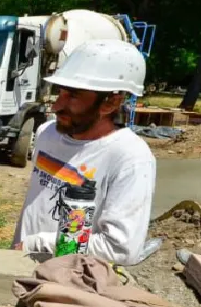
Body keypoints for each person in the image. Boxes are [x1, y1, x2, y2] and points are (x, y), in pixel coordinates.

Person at [12, 39, 155, 265]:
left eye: (73, 96)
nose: (57, 105)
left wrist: (37, 243)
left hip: (70, 281)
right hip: (20, 264)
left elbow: (120, 248)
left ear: (110, 103)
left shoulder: (130, 158)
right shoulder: (47, 133)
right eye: (60, 92)